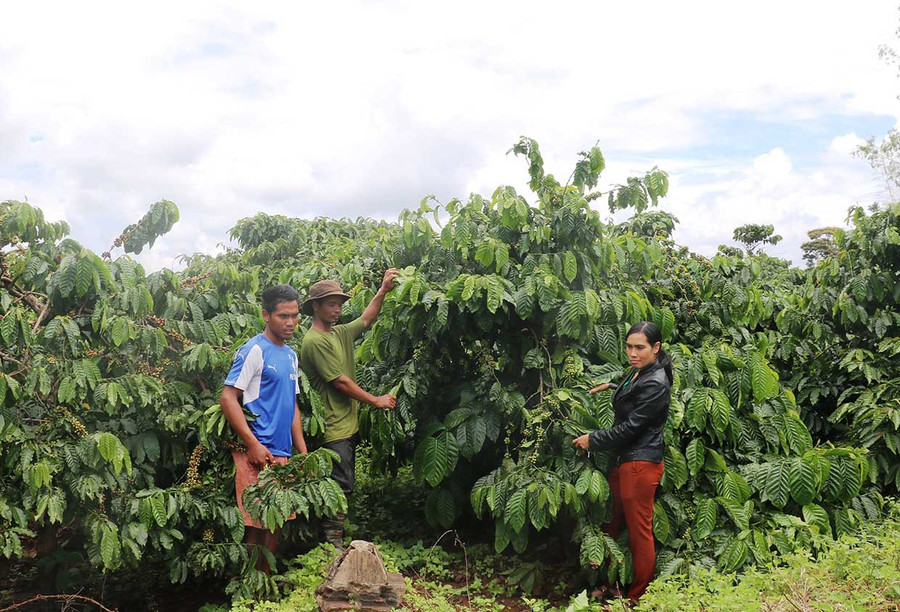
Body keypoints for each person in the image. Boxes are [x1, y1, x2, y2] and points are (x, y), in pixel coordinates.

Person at [572, 321, 673, 602]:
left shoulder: (656, 382)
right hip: (624, 461)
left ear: (656, 347)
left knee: (640, 534)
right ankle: (608, 584)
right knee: (611, 525)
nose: (632, 353)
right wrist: (613, 386)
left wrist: (592, 439)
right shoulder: (640, 372)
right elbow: (634, 393)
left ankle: (637, 597)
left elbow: (630, 428)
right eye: (629, 346)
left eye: (639, 347)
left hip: (640, 464)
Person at [300, 270, 399, 551]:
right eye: (331, 304)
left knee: (343, 482)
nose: (337, 309)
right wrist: (376, 400)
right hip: (333, 426)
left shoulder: (338, 333)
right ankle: (331, 544)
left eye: (339, 304)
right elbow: (340, 382)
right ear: (315, 307)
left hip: (346, 424)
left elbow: (366, 319)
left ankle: (332, 540)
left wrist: (383, 290)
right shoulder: (315, 341)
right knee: (339, 484)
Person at [220, 284, 308, 570]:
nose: (291, 322)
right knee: (255, 525)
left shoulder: (291, 355)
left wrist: (303, 453)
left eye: (295, 316)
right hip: (257, 451)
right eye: (283, 316)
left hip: (282, 453)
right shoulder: (255, 350)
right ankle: (250, 588)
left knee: (276, 522)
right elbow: (228, 398)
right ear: (266, 315)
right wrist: (252, 444)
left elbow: (292, 406)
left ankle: (264, 583)